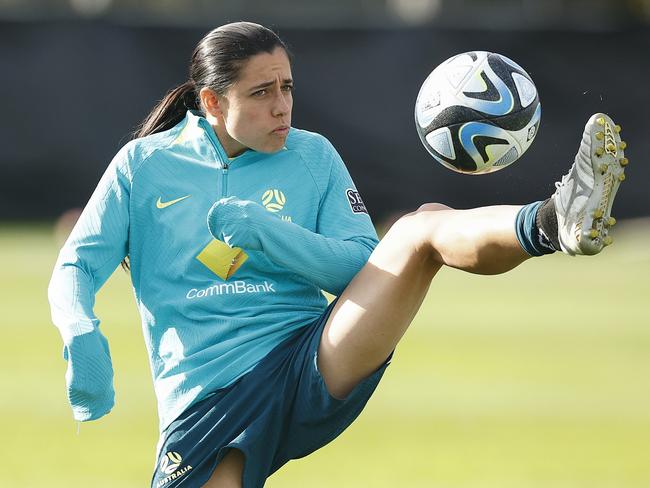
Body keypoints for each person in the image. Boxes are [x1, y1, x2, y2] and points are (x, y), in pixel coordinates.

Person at [48, 22, 628, 488]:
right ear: (212, 102)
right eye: (262, 92)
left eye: (287, 88)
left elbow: (358, 269)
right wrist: (80, 331)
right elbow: (77, 265)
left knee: (419, 230)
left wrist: (268, 233)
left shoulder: (313, 156)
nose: (283, 107)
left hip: (311, 360)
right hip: (208, 396)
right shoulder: (143, 165)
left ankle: (555, 220)